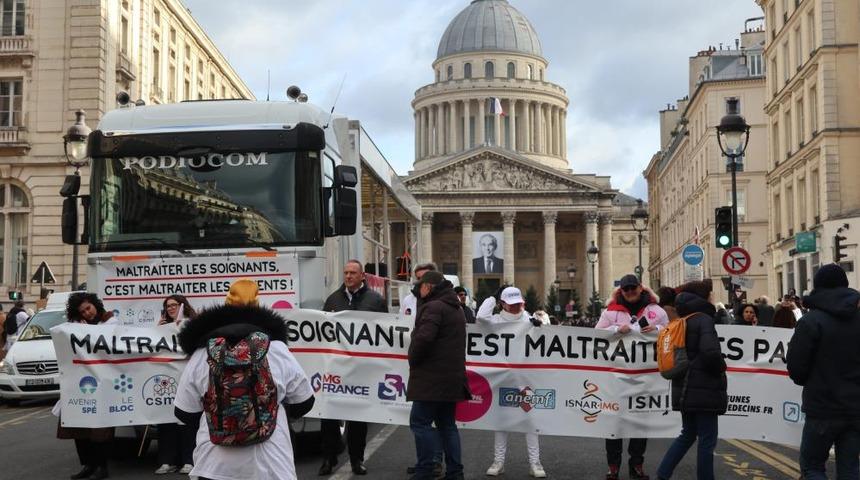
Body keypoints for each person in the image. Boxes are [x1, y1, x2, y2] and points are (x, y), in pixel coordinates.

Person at [174, 279, 314, 480]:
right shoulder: (276, 348)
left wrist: (221, 415)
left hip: (215, 465)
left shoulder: (202, 353)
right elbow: (305, 402)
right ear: (258, 307)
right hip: (270, 464)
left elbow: (184, 412)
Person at [787, 264, 860, 479]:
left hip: (822, 406)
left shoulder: (810, 321)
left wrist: (813, 379)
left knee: (812, 467)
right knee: (850, 468)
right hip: (855, 407)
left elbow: (796, 369)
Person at [596, 274, 669, 480]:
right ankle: (613, 466)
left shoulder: (657, 311)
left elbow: (671, 332)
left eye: (633, 288)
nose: (630, 292)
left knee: (640, 423)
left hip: (645, 378)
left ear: (640, 288)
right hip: (617, 377)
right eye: (626, 289)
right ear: (621, 291)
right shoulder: (610, 312)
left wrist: (657, 329)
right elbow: (596, 334)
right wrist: (616, 330)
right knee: (614, 424)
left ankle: (636, 464)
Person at [319, 260, 387, 476]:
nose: (348, 276)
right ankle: (329, 458)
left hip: (361, 369)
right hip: (336, 368)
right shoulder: (333, 300)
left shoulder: (375, 300)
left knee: (358, 418)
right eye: (346, 272)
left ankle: (357, 459)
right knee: (329, 415)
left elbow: (386, 332)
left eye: (352, 273)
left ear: (362, 276)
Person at [656, 279, 728, 480]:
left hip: (684, 387)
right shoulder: (703, 319)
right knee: (707, 439)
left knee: (687, 434)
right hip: (704, 388)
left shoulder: (682, 320)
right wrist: (721, 367)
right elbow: (709, 352)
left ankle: (662, 474)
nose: (712, 297)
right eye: (710, 294)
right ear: (703, 297)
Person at [477, 286, 547, 478]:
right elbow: (481, 317)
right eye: (512, 304)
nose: (517, 307)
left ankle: (535, 463)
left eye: (519, 304)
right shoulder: (495, 320)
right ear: (503, 304)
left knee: (531, 422)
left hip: (525, 380)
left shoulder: (529, 319)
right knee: (501, 423)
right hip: (503, 378)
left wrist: (539, 326)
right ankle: (498, 462)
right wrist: (492, 297)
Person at [407, 271, 470, 480]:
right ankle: (455, 472)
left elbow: (424, 339)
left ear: (429, 286)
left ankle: (425, 470)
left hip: (431, 378)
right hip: (451, 378)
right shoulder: (455, 307)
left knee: (420, 423)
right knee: (447, 426)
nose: (419, 290)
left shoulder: (433, 307)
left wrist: (413, 358)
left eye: (421, 286)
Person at [58, 293, 118, 480]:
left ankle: (102, 466)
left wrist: (87, 332)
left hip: (103, 383)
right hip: (81, 383)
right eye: (82, 311)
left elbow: (109, 348)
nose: (87, 313)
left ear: (95, 305)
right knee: (79, 425)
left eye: (88, 308)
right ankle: (88, 465)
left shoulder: (110, 321)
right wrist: (77, 329)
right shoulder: (75, 326)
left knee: (100, 429)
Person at [400, 262, 445, 477]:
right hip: (416, 362)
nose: (421, 282)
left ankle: (434, 462)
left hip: (432, 364)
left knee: (431, 421)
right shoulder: (408, 300)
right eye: (418, 278)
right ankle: (423, 462)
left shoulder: (439, 302)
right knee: (422, 423)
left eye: (425, 278)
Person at [154, 295, 197, 475]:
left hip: (186, 380)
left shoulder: (192, 325)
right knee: (165, 421)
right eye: (167, 306)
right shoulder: (162, 328)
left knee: (187, 421)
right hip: (166, 381)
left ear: (182, 306)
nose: (171, 308)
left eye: (174, 305)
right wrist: (157, 330)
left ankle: (189, 460)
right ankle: (167, 461)